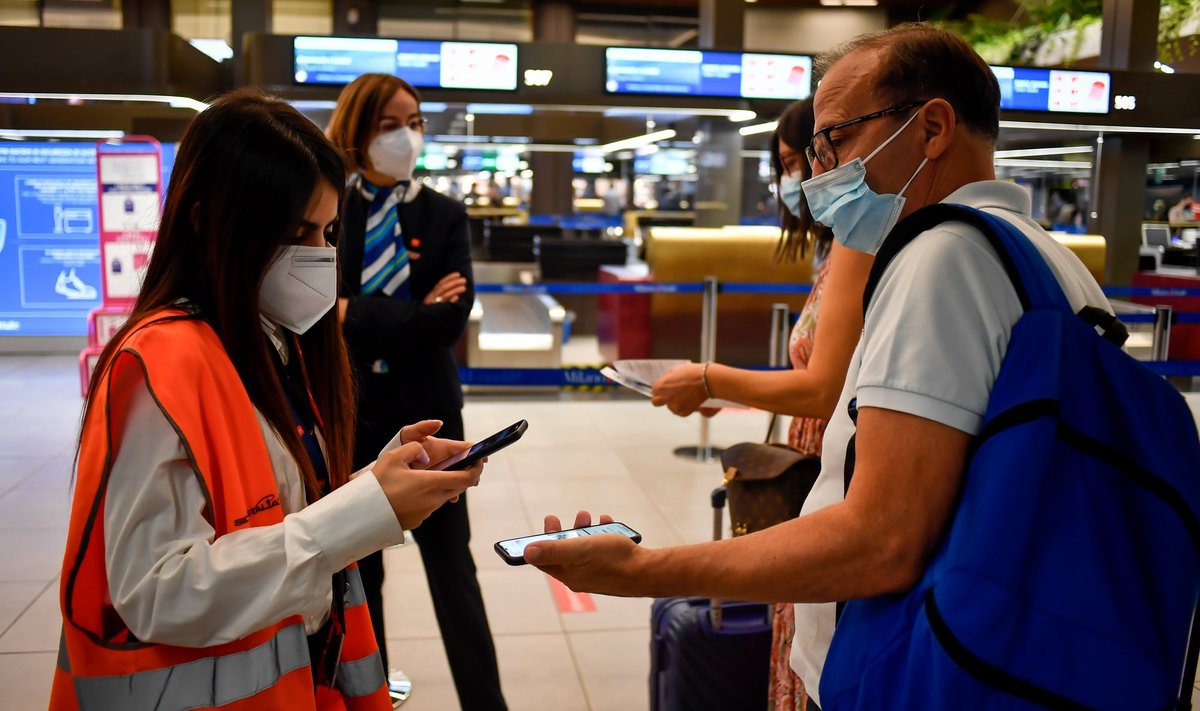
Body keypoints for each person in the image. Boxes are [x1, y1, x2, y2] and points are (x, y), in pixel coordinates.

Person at [521, 24, 1111, 711]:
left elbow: (881, 539)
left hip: (912, 668)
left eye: (837, 139)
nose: (821, 170)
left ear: (933, 128)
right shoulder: (1047, 258)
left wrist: (644, 569)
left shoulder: (943, 261)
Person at [50, 89, 485, 710]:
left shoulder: (270, 344)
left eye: (329, 232)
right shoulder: (162, 367)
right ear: (208, 221)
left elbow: (265, 513)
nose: (319, 255)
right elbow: (154, 592)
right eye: (296, 231)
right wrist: (355, 517)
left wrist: (372, 486)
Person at [651, 98, 872, 711]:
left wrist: (710, 378)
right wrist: (726, 390)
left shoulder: (860, 243)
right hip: (816, 464)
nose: (791, 177)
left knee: (811, 634)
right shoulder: (836, 249)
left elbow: (824, 389)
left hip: (834, 472)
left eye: (793, 160)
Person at [326, 73, 507, 711]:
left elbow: (447, 323)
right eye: (390, 123)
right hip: (349, 414)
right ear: (356, 130)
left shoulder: (443, 213)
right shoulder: (328, 214)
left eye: (416, 121)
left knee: (451, 568)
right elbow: (317, 313)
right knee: (359, 571)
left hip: (430, 415)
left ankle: (486, 702)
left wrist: (354, 311)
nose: (407, 135)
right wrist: (394, 315)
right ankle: (366, 696)